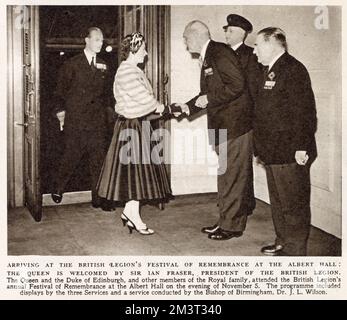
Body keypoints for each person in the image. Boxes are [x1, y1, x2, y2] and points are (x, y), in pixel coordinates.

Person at [176, 20, 254, 240]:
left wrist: (208, 98)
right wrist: (186, 107)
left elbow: (237, 85)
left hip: (235, 126)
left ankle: (232, 226)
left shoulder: (219, 52)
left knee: (232, 178)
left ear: (197, 35)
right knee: (226, 176)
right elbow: (208, 94)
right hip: (223, 125)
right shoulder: (211, 54)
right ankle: (224, 221)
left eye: (186, 37)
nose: (185, 42)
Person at [96, 32, 174, 235]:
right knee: (135, 175)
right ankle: (134, 217)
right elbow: (145, 99)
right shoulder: (127, 71)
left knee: (136, 175)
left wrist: (161, 108)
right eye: (143, 49)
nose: (146, 53)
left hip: (137, 125)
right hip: (131, 127)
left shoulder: (132, 70)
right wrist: (164, 108)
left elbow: (145, 99)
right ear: (134, 49)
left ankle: (130, 213)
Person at [253, 27, 317, 256]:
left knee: (293, 205)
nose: (255, 51)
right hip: (273, 151)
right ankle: (283, 241)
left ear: (271, 44)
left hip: (290, 151)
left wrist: (301, 147)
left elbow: (305, 113)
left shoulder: (293, 69)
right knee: (279, 202)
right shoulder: (270, 70)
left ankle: (296, 251)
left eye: (258, 45)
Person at [51, 27, 114, 211]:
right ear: (87, 40)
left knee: (98, 160)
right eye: (96, 40)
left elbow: (106, 94)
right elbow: (59, 92)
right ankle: (57, 188)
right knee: (71, 157)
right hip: (76, 120)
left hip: (96, 121)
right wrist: (60, 112)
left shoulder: (103, 65)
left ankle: (98, 198)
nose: (100, 43)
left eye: (102, 40)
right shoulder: (72, 64)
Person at [223, 13, 262, 214]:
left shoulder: (251, 55)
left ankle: (242, 207)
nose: (226, 34)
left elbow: (253, 91)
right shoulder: (223, 54)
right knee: (234, 169)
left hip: (242, 120)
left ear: (241, 33)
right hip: (226, 120)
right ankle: (243, 205)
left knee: (240, 168)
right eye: (226, 30)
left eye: (230, 31)